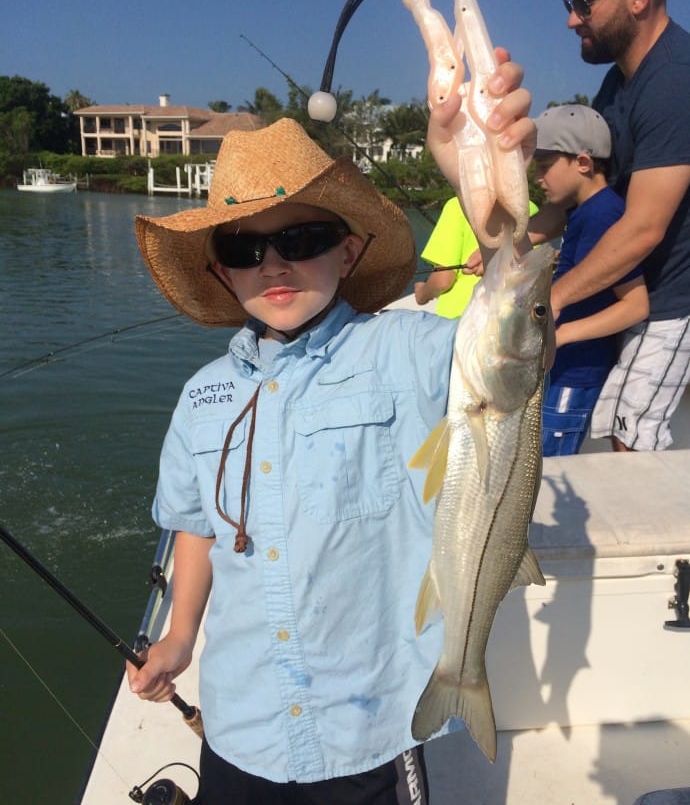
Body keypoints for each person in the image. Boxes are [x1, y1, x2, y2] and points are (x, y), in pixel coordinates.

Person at [126, 57, 534, 804]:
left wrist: (480, 180)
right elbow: (195, 525)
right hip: (240, 723)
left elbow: (516, 335)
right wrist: (181, 637)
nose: (274, 263)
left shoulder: (411, 353)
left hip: (371, 727)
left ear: (349, 250)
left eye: (304, 237)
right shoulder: (201, 397)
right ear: (221, 271)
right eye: (246, 249)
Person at [529, 0, 690, 452]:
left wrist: (550, 301)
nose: (572, 20)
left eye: (584, 4)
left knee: (631, 435)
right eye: (570, 4)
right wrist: (513, 250)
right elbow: (580, 195)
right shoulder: (615, 86)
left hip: (670, 303)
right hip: (629, 294)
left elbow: (643, 228)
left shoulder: (675, 83)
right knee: (608, 429)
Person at [533, 104, 649, 456]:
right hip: (562, 366)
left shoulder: (604, 215)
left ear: (583, 163)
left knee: (551, 466)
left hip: (576, 373)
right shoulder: (583, 212)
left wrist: (564, 334)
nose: (538, 178)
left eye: (545, 166)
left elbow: (635, 305)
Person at [415, 197, 540, 318]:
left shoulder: (457, 205)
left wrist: (422, 293)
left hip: (458, 319)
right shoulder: (529, 207)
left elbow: (443, 281)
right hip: (509, 317)